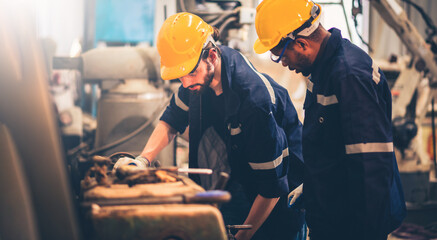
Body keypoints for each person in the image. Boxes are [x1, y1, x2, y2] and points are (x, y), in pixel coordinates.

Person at [114, 12, 305, 240]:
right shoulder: (197, 77)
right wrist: (142, 160)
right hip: (235, 194)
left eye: (191, 73)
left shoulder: (255, 103)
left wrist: (240, 238)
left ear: (212, 55)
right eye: (180, 76)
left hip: (273, 212)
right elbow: (172, 120)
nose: (186, 83)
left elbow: (272, 189)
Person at [253, 0, 407, 239]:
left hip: (352, 226)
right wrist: (314, 186)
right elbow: (332, 145)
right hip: (332, 215)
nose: (283, 63)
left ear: (301, 43)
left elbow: (370, 169)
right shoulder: (323, 70)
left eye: (281, 55)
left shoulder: (349, 77)